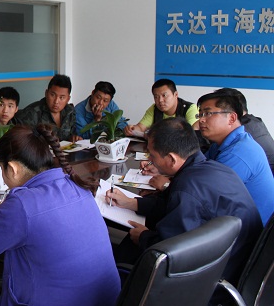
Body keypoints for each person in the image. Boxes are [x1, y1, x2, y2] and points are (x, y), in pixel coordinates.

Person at [0, 125, 120, 306]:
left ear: (12, 168)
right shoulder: (77, 185)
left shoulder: (22, 204)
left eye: (1, 168)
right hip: (107, 300)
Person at [107, 118, 262, 286]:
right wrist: (132, 203)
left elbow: (171, 251)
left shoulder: (187, 189)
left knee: (126, 251)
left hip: (218, 276)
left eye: (152, 155)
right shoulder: (211, 167)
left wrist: (143, 237)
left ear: (172, 159)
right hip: (240, 261)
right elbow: (168, 204)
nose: (150, 159)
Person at [197, 91, 274, 225]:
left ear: (231, 118)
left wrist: (166, 185)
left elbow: (204, 196)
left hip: (253, 231)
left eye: (208, 113)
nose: (201, 120)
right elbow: (199, 168)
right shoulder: (223, 143)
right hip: (235, 220)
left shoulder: (237, 153)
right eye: (200, 114)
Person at [215, 87, 274, 174]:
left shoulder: (241, 129)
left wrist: (197, 130)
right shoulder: (254, 121)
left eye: (209, 113)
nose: (203, 119)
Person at [124, 78, 198, 137]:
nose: (160, 100)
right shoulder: (154, 108)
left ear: (175, 95)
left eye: (164, 95)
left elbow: (192, 135)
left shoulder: (189, 108)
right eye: (156, 97)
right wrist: (132, 129)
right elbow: (141, 128)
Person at [16, 74, 79, 141]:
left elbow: (72, 134)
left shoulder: (70, 111)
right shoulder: (32, 112)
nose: (56, 101)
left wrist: (74, 138)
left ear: (68, 99)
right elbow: (22, 141)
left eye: (61, 97)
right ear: (46, 93)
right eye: (53, 95)